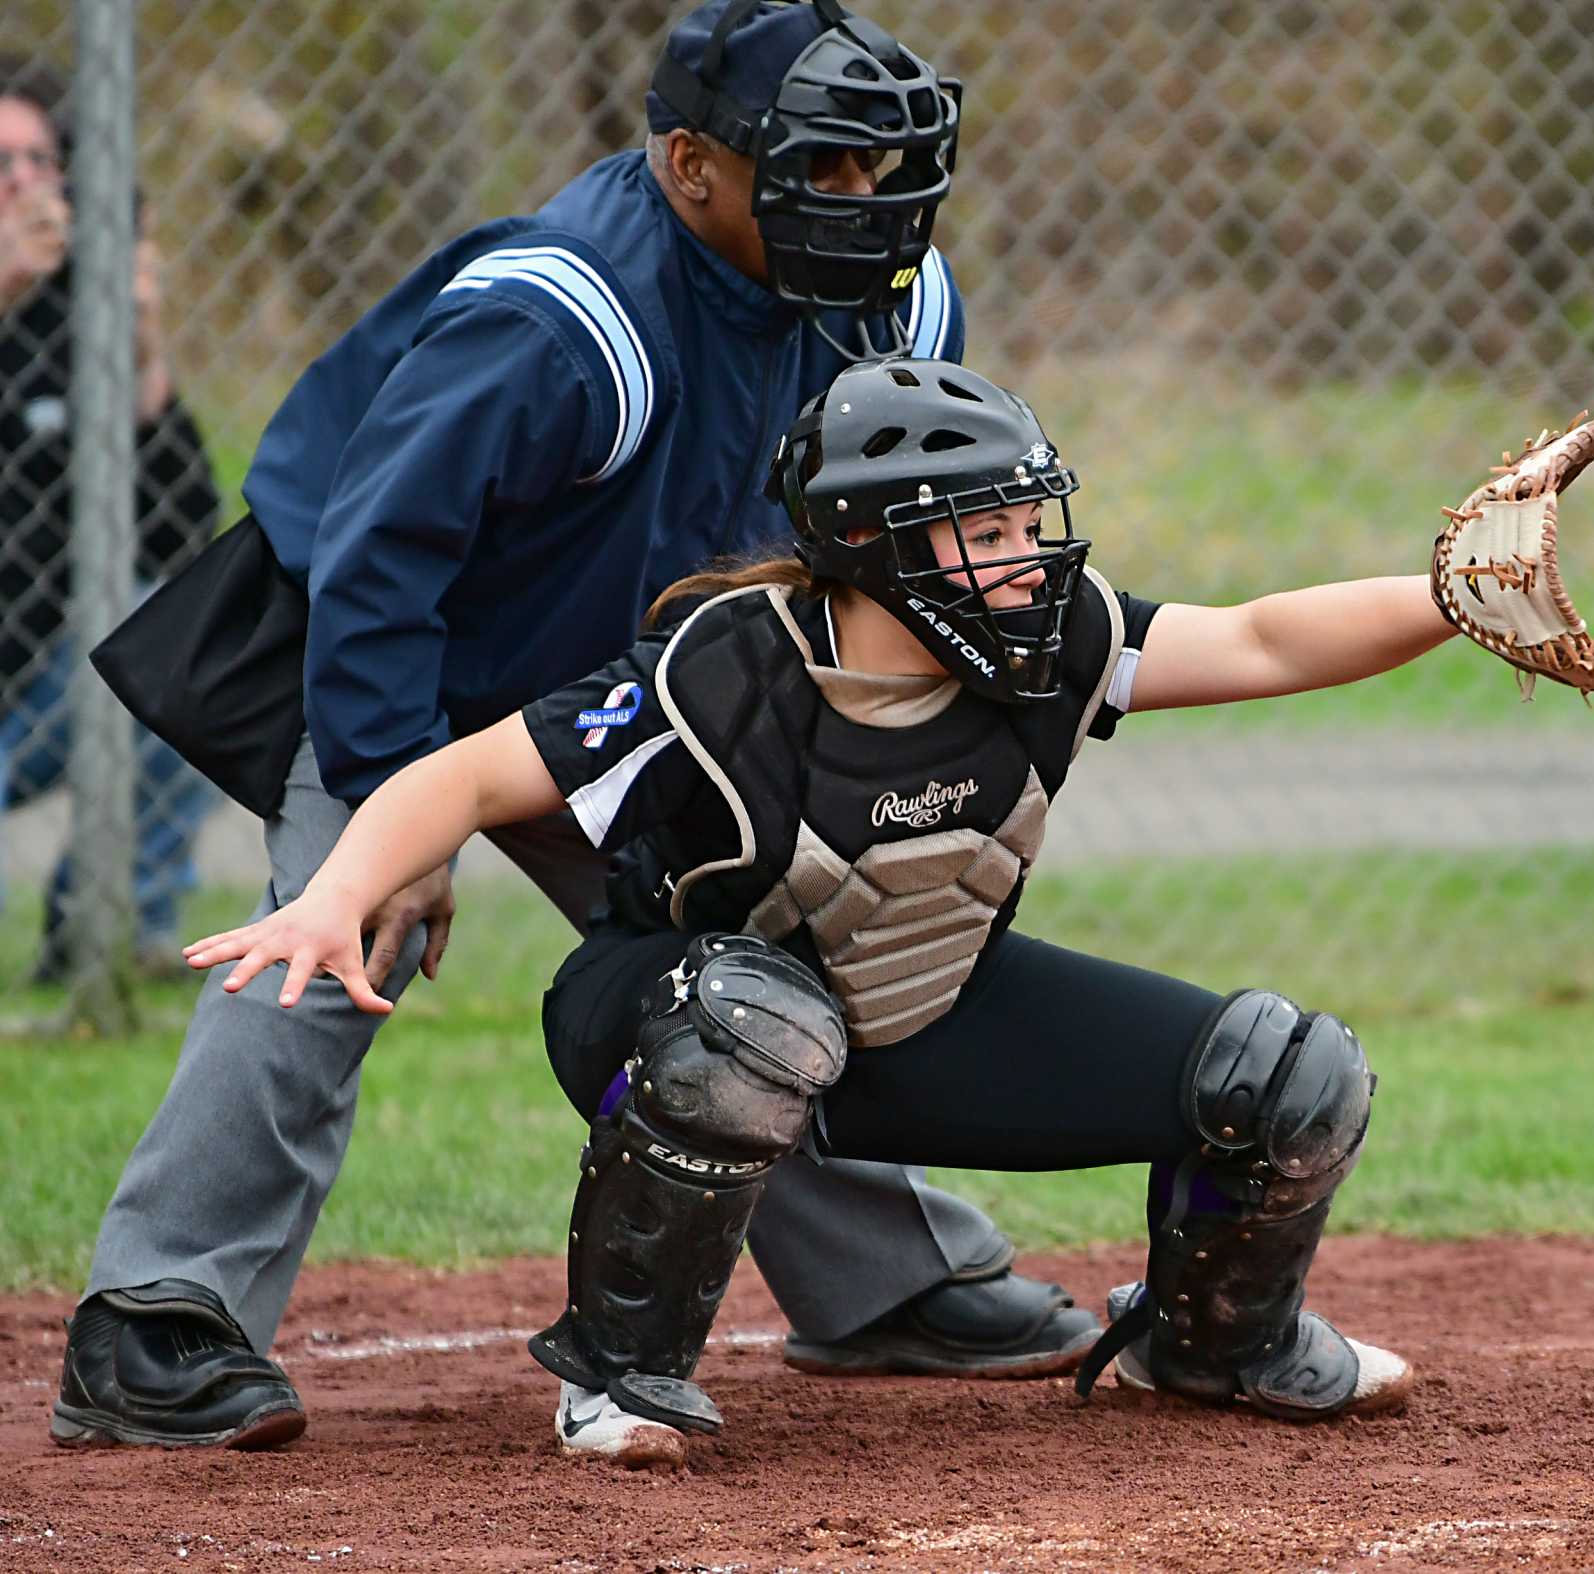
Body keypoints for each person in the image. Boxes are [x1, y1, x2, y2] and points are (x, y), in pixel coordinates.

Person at [50, 0, 1097, 1455]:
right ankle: (153, 1321)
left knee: (759, 949)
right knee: (336, 932)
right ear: (689, 165)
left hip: (641, 684)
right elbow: (376, 550)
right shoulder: (564, 317)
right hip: (412, 668)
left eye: (884, 171)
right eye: (828, 172)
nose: (873, 208)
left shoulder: (896, 307)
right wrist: (387, 811)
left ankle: (886, 1284)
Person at [175, 355, 1453, 1464]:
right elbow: (469, 772)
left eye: (1026, 525)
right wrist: (334, 895)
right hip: (671, 1015)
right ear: (874, 543)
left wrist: (1452, 600)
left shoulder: (1046, 632)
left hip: (929, 1017)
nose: (1027, 559)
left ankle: (1216, 1345)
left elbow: (1261, 640)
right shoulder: (725, 667)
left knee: (1289, 1075)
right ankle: (619, 1373)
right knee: (749, 1023)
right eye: (986, 532)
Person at [0, 57, 221, 982]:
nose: (27, 190)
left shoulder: (70, 315)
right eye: (1, 171)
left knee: (192, 640)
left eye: (41, 165)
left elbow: (182, 533)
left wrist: (142, 345)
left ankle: (107, 937)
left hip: (41, 682)